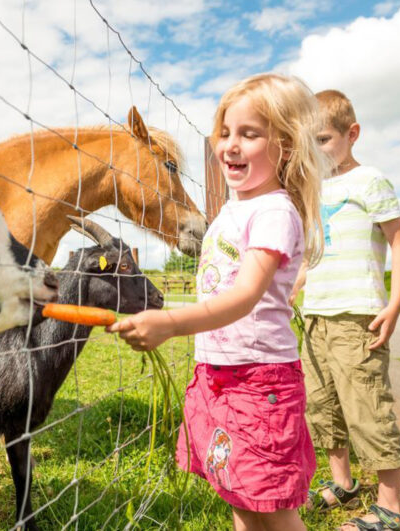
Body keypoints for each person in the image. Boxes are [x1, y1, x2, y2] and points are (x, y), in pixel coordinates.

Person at [108, 73, 327, 531]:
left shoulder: (273, 211)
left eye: (249, 134)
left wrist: (170, 322)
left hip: (257, 379)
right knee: (238, 492)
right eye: (225, 132)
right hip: (216, 374)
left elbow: (245, 295)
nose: (230, 145)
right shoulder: (231, 209)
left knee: (274, 510)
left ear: (284, 146)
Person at [289, 89, 400, 531]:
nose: (317, 152)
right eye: (310, 144)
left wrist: (394, 304)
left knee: (366, 406)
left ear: (351, 134)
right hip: (317, 316)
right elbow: (312, 257)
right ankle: (344, 482)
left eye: (323, 140)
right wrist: (292, 288)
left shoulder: (370, 181)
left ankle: (395, 508)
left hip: (356, 315)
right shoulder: (316, 189)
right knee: (322, 405)